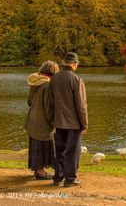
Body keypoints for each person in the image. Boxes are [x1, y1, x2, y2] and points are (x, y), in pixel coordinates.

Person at [49, 52, 88, 187]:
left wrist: (51, 119)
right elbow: (81, 105)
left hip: (58, 122)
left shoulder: (54, 79)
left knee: (59, 150)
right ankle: (70, 179)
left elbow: (50, 102)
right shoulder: (77, 80)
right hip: (73, 124)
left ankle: (58, 177)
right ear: (74, 64)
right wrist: (84, 124)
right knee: (72, 151)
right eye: (77, 64)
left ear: (64, 63)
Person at [25, 60, 59, 180]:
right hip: (42, 122)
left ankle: (38, 170)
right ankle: (41, 172)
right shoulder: (47, 85)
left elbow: (29, 102)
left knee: (35, 145)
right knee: (45, 144)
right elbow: (48, 107)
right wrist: (54, 122)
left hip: (32, 119)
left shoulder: (35, 83)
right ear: (52, 72)